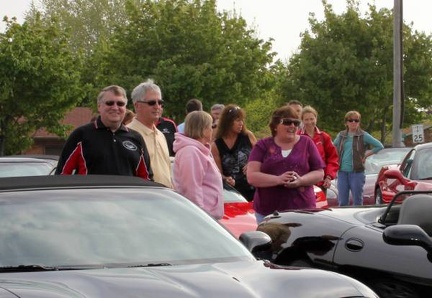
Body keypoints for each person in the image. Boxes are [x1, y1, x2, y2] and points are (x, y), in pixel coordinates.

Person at [247, 105, 325, 224]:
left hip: (302, 211)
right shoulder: (262, 145)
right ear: (275, 126)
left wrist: (301, 181)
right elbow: (252, 176)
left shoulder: (306, 143)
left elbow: (319, 173)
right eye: (287, 122)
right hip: (268, 213)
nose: (292, 126)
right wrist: (278, 179)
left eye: (296, 123)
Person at [56, 85, 152, 180]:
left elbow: (146, 179)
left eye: (120, 104)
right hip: (91, 195)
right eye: (110, 103)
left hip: (126, 195)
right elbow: (62, 175)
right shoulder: (81, 135)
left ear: (125, 108)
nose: (115, 107)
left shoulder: (136, 138)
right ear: (99, 106)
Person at [173, 111, 224, 219]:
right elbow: (191, 190)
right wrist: (201, 218)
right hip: (202, 218)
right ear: (203, 128)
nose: (213, 129)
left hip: (209, 216)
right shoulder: (191, 152)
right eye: (212, 126)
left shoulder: (200, 150)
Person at [127, 79, 173, 188]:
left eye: (160, 102)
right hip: (143, 199)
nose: (157, 106)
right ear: (137, 105)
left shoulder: (161, 135)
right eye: (152, 102)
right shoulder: (127, 135)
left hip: (165, 198)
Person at [333, 111, 383, 206]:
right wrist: (336, 158)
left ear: (359, 122)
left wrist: (366, 154)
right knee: (342, 201)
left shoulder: (363, 135)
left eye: (356, 120)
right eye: (350, 120)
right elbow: (332, 147)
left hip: (357, 172)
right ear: (346, 122)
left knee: (357, 200)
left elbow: (379, 146)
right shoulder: (341, 135)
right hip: (342, 172)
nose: (353, 123)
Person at [211, 104, 257, 201]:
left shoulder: (247, 136)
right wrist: (225, 179)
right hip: (232, 195)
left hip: (253, 190)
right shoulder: (216, 145)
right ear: (228, 122)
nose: (241, 123)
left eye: (242, 120)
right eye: (237, 120)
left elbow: (262, 156)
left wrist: (252, 163)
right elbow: (218, 173)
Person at [299, 105, 339, 194]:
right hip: (302, 182)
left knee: (320, 207)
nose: (309, 122)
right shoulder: (297, 137)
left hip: (320, 183)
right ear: (302, 120)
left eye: (311, 119)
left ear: (316, 118)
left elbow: (333, 158)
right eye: (306, 119)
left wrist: (328, 177)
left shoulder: (324, 137)